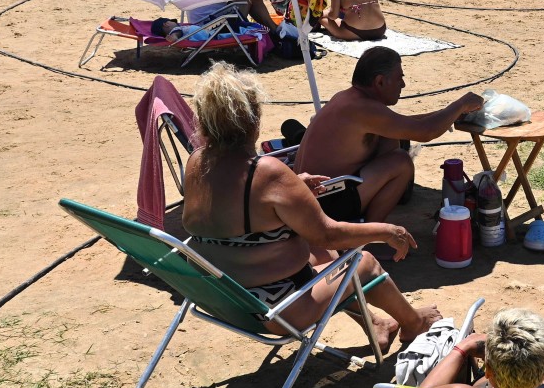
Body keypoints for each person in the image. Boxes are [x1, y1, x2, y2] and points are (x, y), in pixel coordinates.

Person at [181, 63, 442, 349]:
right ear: (253, 120)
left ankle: (376, 322)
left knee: (322, 253)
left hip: (226, 298)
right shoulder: (266, 172)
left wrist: (291, 189)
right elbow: (328, 232)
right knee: (362, 262)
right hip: (276, 311)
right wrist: (387, 231)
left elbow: (235, 205)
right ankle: (414, 323)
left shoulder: (197, 162)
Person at [296, 47, 483, 225]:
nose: (403, 84)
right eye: (399, 78)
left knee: (391, 137)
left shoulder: (348, 98)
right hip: (324, 203)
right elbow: (425, 132)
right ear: (379, 81)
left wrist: (450, 114)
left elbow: (405, 124)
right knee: (401, 162)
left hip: (309, 196)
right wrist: (460, 104)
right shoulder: (363, 109)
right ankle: (369, 236)